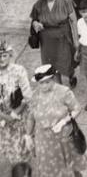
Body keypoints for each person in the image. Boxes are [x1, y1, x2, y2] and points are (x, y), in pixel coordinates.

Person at [26, 64, 87, 177]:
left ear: (53, 78)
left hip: (64, 136)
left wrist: (63, 121)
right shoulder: (35, 96)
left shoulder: (63, 92)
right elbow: (31, 117)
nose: (44, 86)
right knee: (52, 169)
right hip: (44, 140)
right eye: (41, 83)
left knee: (71, 166)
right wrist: (28, 135)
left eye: (47, 82)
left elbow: (77, 109)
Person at [30, 0, 78, 88]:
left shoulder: (66, 1)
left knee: (66, 61)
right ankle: (59, 88)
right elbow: (34, 20)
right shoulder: (39, 4)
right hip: (47, 40)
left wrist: (76, 40)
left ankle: (71, 75)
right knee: (52, 66)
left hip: (63, 37)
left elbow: (74, 21)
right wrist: (36, 24)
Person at [0, 38, 32, 173]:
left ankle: (23, 171)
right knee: (11, 152)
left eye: (4, 55)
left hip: (20, 118)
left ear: (10, 55)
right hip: (3, 121)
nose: (1, 59)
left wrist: (15, 114)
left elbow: (28, 96)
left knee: (23, 151)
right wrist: (5, 117)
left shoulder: (19, 70)